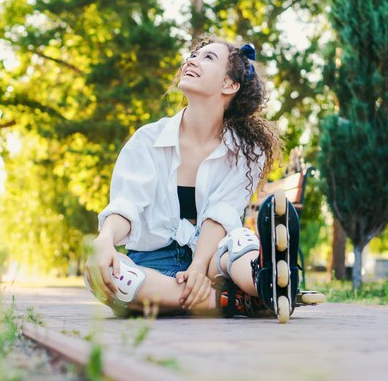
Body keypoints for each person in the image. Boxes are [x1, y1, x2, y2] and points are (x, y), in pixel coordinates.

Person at [85, 36, 299, 321]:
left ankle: (262, 276)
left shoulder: (248, 152)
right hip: (154, 268)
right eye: (193, 56)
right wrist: (105, 239)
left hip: (213, 262)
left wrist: (198, 266)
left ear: (229, 85)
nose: (191, 61)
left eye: (207, 57)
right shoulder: (146, 140)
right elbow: (127, 204)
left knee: (237, 241)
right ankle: (234, 301)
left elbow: (220, 215)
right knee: (103, 276)